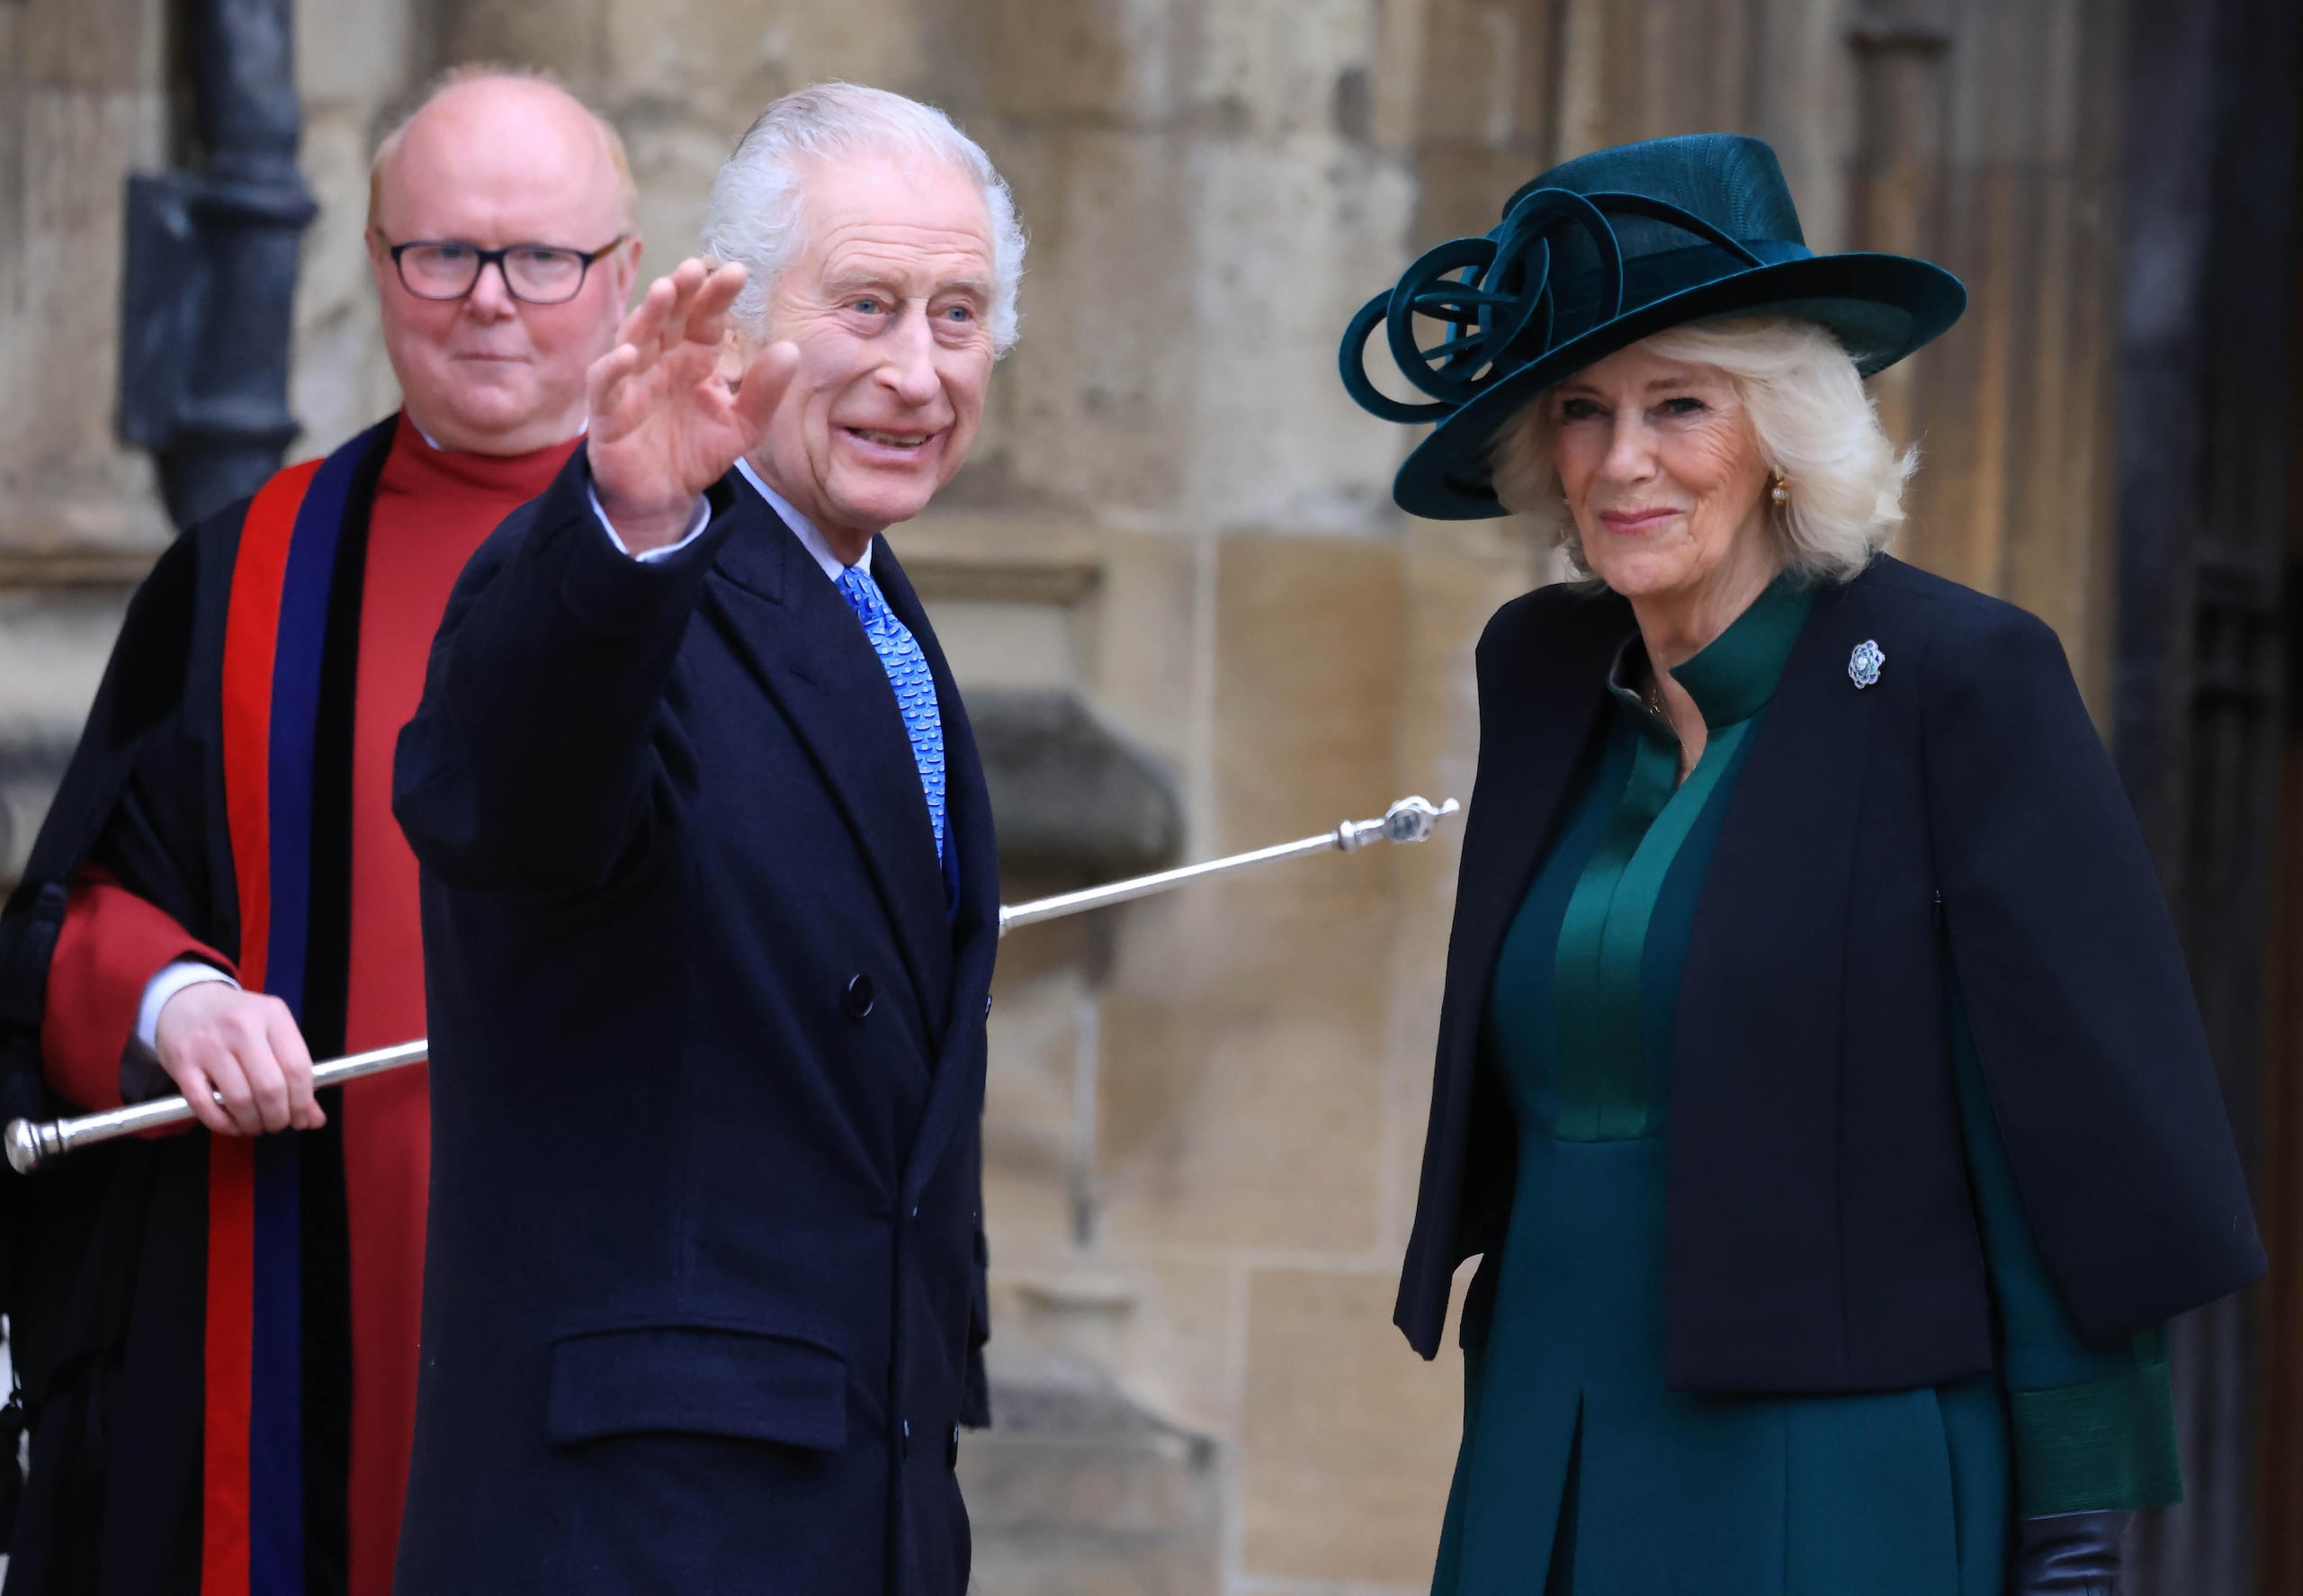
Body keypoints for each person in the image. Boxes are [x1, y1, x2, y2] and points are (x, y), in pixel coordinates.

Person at [1340, 134, 2266, 1595]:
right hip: (1542, 1442)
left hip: (1835, 1469)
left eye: (1679, 403)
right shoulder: (1543, 672)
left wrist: (2073, 1524)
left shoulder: (1961, 680)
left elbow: (2061, 1124)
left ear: (1780, 428)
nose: (1621, 459)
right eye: (1581, 409)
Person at [0, 67, 640, 1595]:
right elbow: (75, 909)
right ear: (376, 265)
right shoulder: (246, 576)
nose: (491, 300)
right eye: (443, 253)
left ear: (623, 283)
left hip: (637, 1323)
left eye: (541, 258)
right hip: (289, 1314)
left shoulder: (744, 582)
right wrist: (177, 998)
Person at [388, 82, 1018, 1594]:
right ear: (734, 325)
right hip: (639, 1521)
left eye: (958, 314)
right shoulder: (625, 563)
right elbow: (500, 805)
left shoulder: (882, 614)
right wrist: (626, 527)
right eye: (865, 304)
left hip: (857, 1498)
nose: (916, 371)